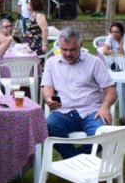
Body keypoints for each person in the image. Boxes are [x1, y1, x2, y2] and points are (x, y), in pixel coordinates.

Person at [42, 27, 116, 159]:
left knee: (101, 134)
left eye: (72, 49)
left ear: (80, 45)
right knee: (48, 126)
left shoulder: (95, 62)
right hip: (64, 111)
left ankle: (74, 161)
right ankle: (79, 161)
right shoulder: (51, 62)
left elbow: (111, 90)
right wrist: (48, 98)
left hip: (92, 111)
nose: (68, 54)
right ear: (59, 45)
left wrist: (104, 107)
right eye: (64, 49)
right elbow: (47, 87)